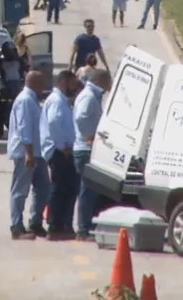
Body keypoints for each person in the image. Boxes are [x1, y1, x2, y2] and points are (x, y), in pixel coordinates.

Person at [7, 71, 49, 240]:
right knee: (20, 190)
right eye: (42, 83)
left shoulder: (32, 100)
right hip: (26, 153)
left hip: (37, 152)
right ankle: (16, 226)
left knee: (44, 188)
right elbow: (24, 129)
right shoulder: (25, 100)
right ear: (36, 84)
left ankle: (35, 222)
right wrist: (29, 154)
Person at [41, 70, 80, 241]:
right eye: (72, 83)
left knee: (67, 189)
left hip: (63, 150)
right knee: (60, 189)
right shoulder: (57, 101)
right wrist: (63, 146)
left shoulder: (62, 101)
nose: (74, 87)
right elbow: (53, 122)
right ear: (64, 82)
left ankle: (63, 224)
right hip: (60, 152)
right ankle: (55, 225)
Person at [74, 69, 112, 241]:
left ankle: (88, 225)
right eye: (108, 81)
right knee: (87, 190)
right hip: (85, 149)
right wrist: (88, 135)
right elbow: (81, 117)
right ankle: (83, 229)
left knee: (91, 190)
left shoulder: (93, 95)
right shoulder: (88, 96)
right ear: (100, 80)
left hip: (90, 149)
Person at [0, 42, 26, 139]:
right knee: (0, 111)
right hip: (10, 89)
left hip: (14, 90)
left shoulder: (18, 61)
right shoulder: (2, 61)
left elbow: (28, 68)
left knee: (5, 111)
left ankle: (11, 130)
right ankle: (1, 131)